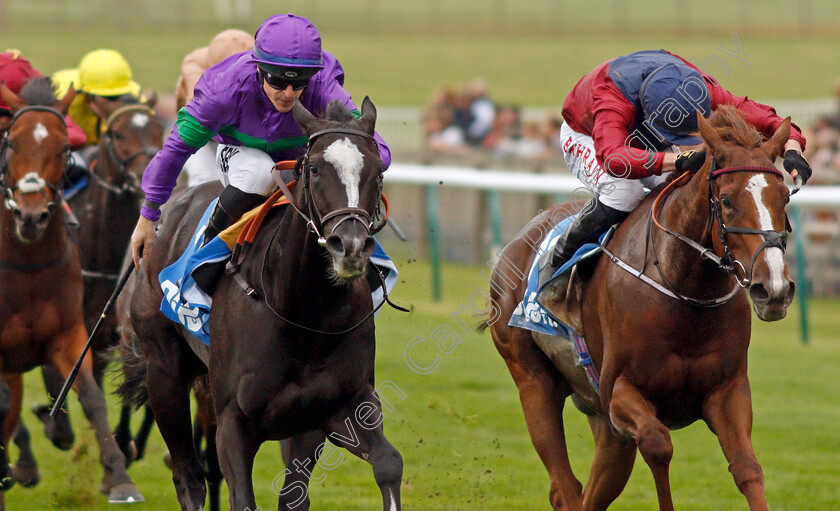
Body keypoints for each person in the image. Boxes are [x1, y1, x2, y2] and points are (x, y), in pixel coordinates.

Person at [130, 13, 391, 273]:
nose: (289, 93)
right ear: (258, 68)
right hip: (240, 154)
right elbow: (176, 148)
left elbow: (372, 148)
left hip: (301, 160)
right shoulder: (223, 92)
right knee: (259, 172)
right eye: (277, 80)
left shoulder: (323, 85)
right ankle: (200, 259)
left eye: (299, 82)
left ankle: (375, 275)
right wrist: (149, 214)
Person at [544, 49, 813, 276]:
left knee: (687, 188)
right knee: (625, 193)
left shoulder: (702, 90)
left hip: (643, 131)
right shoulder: (611, 98)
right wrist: (677, 158)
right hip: (588, 134)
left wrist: (792, 148)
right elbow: (615, 159)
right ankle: (559, 261)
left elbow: (766, 118)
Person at [175, 29, 255, 187]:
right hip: (199, 137)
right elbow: (201, 116)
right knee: (206, 177)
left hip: (230, 136)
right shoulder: (195, 72)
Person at [0, 49, 86, 147]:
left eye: (13, 114)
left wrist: (30, 134)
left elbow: (78, 137)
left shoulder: (41, 102)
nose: (5, 120)